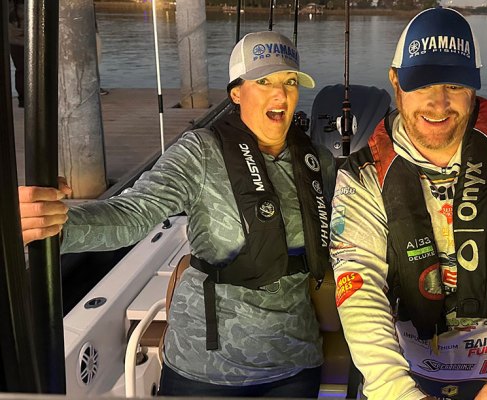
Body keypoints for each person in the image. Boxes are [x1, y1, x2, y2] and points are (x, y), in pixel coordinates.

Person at [18, 31, 335, 398]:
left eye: (290, 81)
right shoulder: (199, 152)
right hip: (204, 366)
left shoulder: (319, 162)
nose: (280, 94)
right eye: (263, 82)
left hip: (294, 360)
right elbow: (133, 214)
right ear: (236, 93)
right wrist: (55, 226)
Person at [330, 7, 487, 400]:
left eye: (454, 84)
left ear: (475, 86)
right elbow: (358, 282)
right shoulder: (361, 176)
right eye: (422, 84)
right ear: (395, 81)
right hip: (405, 373)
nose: (439, 103)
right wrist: (397, 391)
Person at [8, 0, 25, 108]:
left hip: (14, 41)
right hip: (21, 41)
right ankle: (24, 99)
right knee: (22, 70)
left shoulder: (10, 6)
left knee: (20, 70)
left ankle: (23, 99)